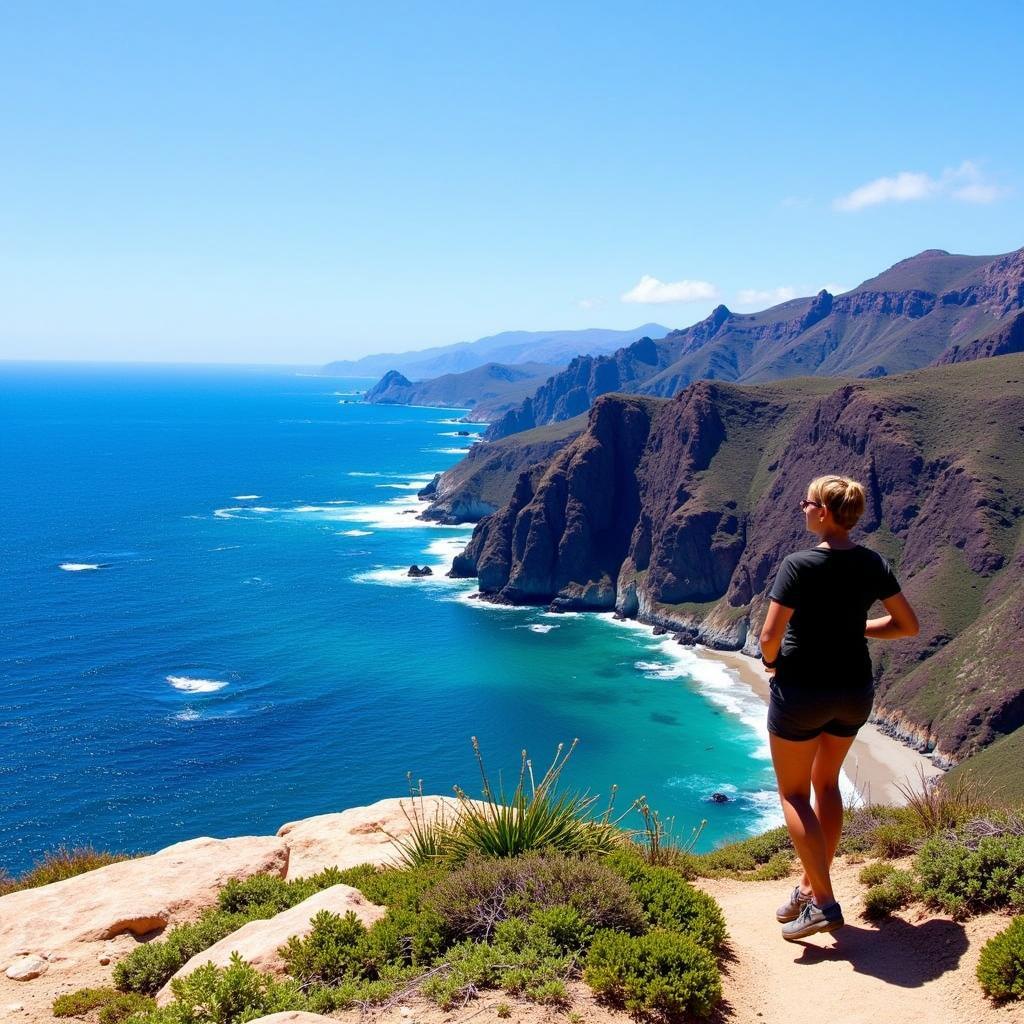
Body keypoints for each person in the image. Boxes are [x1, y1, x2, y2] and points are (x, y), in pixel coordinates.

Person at [759, 474, 919, 941]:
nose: (801, 507)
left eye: (806, 502)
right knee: (826, 783)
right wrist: (856, 631)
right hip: (854, 692)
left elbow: (770, 636)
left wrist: (772, 666)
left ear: (824, 513)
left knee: (792, 795)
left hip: (802, 692)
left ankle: (825, 903)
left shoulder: (798, 565)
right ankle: (810, 887)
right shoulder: (873, 563)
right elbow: (907, 625)